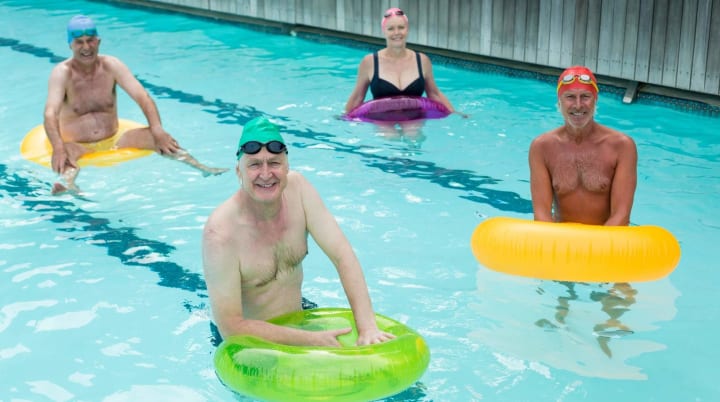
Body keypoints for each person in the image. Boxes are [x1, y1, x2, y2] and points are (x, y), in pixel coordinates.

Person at [202, 116, 394, 347]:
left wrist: (367, 328)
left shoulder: (299, 190)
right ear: (238, 172)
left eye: (274, 163)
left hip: (299, 317)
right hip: (251, 342)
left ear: (287, 167)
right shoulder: (221, 234)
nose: (265, 174)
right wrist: (310, 340)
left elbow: (342, 255)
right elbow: (232, 327)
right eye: (254, 165)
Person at [44, 15, 226, 195]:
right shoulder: (62, 73)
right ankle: (67, 183)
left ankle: (202, 168)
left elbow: (142, 97)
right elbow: (50, 113)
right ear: (70, 45)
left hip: (114, 139)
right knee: (66, 154)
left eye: (90, 40)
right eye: (79, 42)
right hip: (78, 144)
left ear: (98, 41)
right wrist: (58, 148)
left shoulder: (111, 66)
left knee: (159, 138)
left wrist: (157, 129)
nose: (86, 47)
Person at [528, 66, 637, 225]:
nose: (578, 105)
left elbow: (620, 216)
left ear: (596, 99)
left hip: (606, 242)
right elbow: (541, 215)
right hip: (562, 241)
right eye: (570, 97)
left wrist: (595, 249)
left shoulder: (622, 147)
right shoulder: (541, 148)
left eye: (585, 96)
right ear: (560, 101)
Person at [344, 7, 464, 142]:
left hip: (413, 114)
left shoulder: (422, 60)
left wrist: (454, 113)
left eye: (401, 27)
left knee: (413, 137)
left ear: (407, 29)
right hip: (382, 117)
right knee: (391, 138)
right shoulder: (370, 62)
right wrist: (344, 118)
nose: (397, 33)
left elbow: (434, 93)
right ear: (384, 31)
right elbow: (357, 97)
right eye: (391, 29)